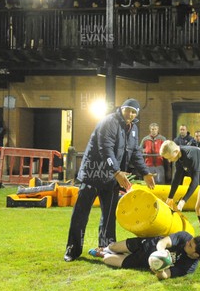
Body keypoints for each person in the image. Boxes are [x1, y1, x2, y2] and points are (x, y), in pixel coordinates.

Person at [65, 99, 156, 262]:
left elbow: (135, 152)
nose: (130, 114)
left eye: (134, 112)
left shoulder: (133, 128)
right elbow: (105, 149)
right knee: (81, 214)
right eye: (128, 110)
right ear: (121, 109)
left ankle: (105, 248)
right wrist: (116, 172)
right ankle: (72, 249)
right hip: (92, 176)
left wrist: (145, 173)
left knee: (109, 216)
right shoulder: (109, 122)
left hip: (111, 179)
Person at [89, 231, 200, 280]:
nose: (188, 243)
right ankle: (106, 248)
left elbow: (166, 275)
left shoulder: (188, 267)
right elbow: (164, 242)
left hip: (143, 261)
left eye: (190, 246)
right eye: (190, 241)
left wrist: (158, 269)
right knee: (114, 246)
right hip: (146, 244)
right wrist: (160, 252)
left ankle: (103, 253)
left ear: (195, 254)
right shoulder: (185, 237)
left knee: (107, 260)